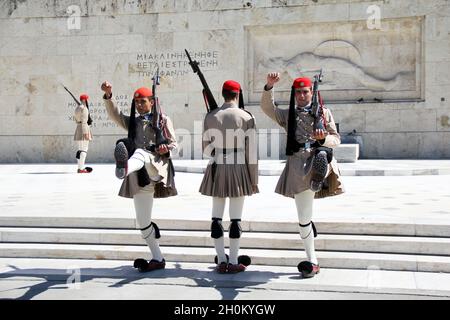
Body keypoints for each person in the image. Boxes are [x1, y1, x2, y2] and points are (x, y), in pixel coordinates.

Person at [260, 72, 344, 278]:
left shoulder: (323, 112)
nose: (301, 96)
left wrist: (323, 139)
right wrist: (269, 87)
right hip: (298, 163)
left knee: (305, 215)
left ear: (311, 92)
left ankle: (312, 260)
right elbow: (267, 108)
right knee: (304, 215)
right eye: (298, 92)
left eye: (305, 92)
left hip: (316, 154)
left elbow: (336, 138)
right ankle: (310, 234)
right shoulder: (288, 114)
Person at [101, 81, 177, 272]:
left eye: (143, 102)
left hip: (156, 165)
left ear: (152, 102)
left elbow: (174, 145)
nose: (140, 105)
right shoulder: (133, 123)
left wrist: (164, 147)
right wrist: (110, 96)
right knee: (142, 222)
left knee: (141, 154)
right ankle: (157, 258)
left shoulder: (163, 120)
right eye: (137, 103)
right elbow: (115, 115)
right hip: (139, 174)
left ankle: (124, 167)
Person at [199, 80, 258, 274]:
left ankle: (221, 260)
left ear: (222, 94)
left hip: (217, 165)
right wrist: (253, 179)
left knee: (216, 217)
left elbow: (206, 151)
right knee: (235, 219)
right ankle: (233, 261)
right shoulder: (247, 116)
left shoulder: (210, 116)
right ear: (238, 94)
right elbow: (252, 153)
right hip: (239, 165)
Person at [74, 94, 93, 173]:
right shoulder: (84, 108)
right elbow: (85, 121)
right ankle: (81, 169)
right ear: (85, 100)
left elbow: (76, 120)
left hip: (78, 128)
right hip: (84, 129)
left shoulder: (77, 109)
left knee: (80, 150)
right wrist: (86, 133)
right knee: (84, 149)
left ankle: (80, 167)